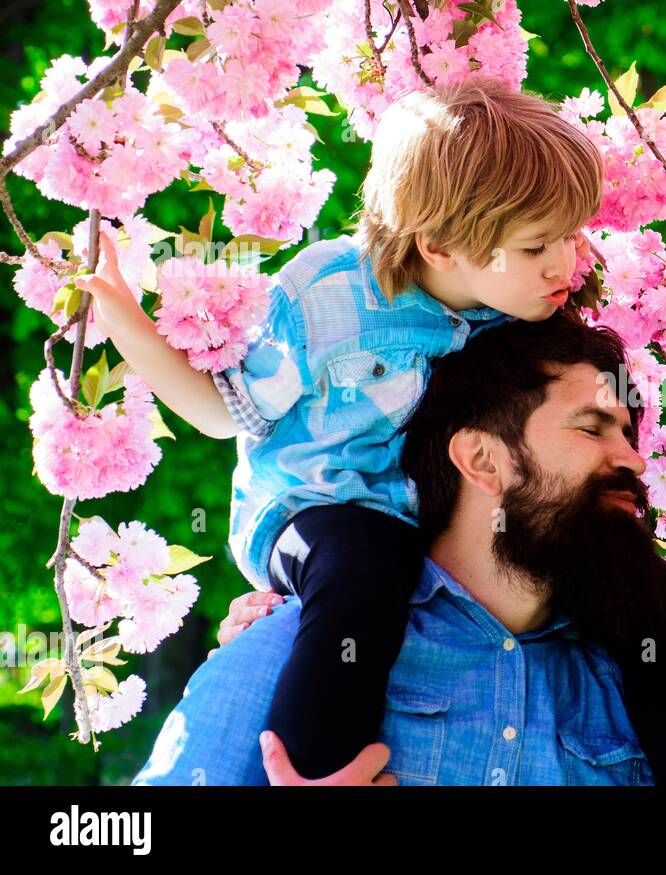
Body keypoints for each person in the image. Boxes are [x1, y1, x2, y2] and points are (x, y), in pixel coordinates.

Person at [76, 79, 605, 779]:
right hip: (314, 510)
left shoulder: (510, 314)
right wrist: (126, 323)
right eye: (539, 246)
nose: (567, 263)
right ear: (441, 246)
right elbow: (217, 410)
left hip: (422, 529)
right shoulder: (324, 294)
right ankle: (319, 763)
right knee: (365, 564)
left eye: (571, 234)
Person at [133, 312, 666, 785]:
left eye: (628, 434)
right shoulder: (297, 649)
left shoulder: (640, 680)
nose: (633, 460)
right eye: (592, 427)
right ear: (482, 460)